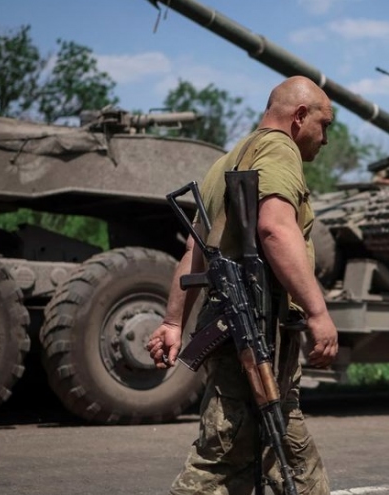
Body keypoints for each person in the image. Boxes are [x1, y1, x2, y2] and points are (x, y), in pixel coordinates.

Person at [146, 75, 340, 494]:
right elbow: (275, 228)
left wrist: (173, 321)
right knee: (225, 460)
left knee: (283, 448)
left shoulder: (226, 161)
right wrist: (318, 311)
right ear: (300, 116)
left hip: (240, 326)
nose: (325, 139)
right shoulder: (279, 149)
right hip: (256, 329)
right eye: (324, 125)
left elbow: (193, 250)